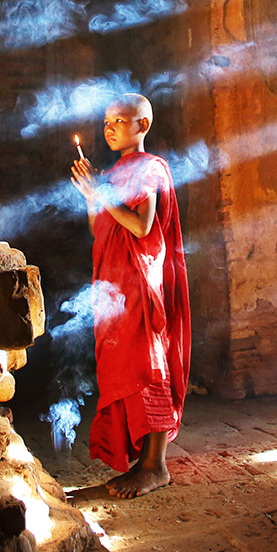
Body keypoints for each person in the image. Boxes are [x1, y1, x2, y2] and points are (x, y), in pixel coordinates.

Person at [69, 94, 190, 498]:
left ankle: (155, 467)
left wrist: (102, 194)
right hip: (114, 285)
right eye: (106, 122)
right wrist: (92, 194)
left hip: (140, 283)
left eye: (120, 120)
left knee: (146, 364)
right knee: (124, 365)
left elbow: (141, 226)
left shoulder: (148, 167)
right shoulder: (114, 172)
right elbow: (100, 229)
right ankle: (141, 461)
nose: (110, 127)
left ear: (143, 125)